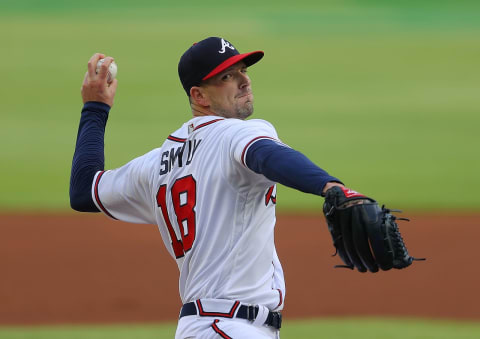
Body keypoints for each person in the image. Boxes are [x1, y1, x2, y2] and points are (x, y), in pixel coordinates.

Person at [70, 37, 345, 339]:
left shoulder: (158, 162)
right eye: (227, 76)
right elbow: (267, 155)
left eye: (242, 70)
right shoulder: (235, 133)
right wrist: (332, 187)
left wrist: (95, 109)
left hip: (204, 327)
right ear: (199, 95)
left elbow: (85, 190)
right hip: (228, 326)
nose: (244, 81)